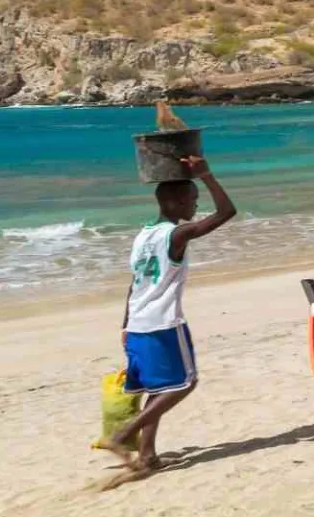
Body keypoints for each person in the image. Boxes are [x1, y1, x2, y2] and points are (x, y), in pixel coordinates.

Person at [99, 155, 236, 476]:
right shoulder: (175, 235)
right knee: (185, 383)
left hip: (137, 324)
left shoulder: (143, 236)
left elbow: (134, 283)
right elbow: (226, 212)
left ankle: (147, 458)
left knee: (159, 389)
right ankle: (124, 434)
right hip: (163, 324)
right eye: (192, 200)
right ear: (174, 203)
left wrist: (124, 323)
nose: (195, 207)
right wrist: (207, 175)